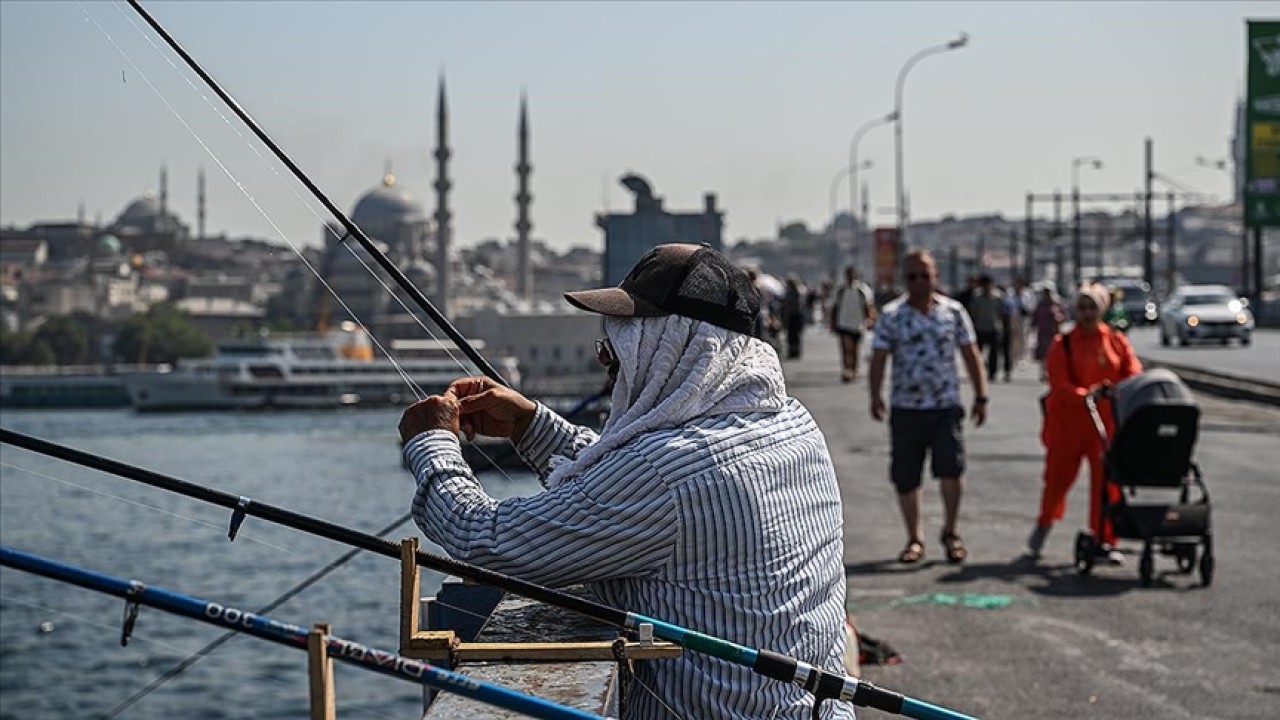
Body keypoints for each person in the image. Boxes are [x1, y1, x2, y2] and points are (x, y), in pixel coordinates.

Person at [399, 243, 854, 720]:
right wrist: (529, 425)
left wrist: (432, 443)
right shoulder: (791, 424)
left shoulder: (666, 474)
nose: (608, 361)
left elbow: (486, 538)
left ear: (669, 348)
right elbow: (627, 485)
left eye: (616, 345)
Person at [869, 249, 989, 565]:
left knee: (951, 468)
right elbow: (879, 356)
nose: (919, 282)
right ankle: (914, 538)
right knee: (906, 475)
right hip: (906, 407)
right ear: (904, 279)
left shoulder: (953, 312)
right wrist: (874, 395)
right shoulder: (892, 315)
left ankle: (951, 532)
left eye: (925, 275)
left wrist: (981, 395)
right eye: (912, 276)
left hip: (944, 405)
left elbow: (970, 353)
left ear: (936, 277)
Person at [1026, 283, 1142, 562]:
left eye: (1092, 307)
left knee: (1107, 484)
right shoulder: (1062, 343)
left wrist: (1122, 390)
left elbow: (1132, 372)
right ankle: (1045, 521)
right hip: (1069, 423)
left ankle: (1105, 539)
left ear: (1102, 309)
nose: (1087, 313)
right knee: (1056, 480)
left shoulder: (1116, 340)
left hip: (1105, 425)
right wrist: (1086, 395)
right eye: (1082, 307)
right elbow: (1059, 383)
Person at [829, 265, 875, 382]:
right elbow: (835, 307)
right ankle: (847, 369)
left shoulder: (862, 289)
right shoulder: (840, 290)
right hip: (843, 322)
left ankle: (854, 369)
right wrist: (832, 322)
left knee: (854, 348)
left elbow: (868, 306)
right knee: (846, 347)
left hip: (857, 323)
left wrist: (870, 319)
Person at [967, 275, 1005, 383]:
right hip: (980, 328)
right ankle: (978, 371)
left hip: (994, 328)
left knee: (994, 353)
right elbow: (973, 312)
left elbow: (1001, 312)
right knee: (978, 353)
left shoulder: (997, 297)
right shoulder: (977, 297)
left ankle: (992, 372)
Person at [1031, 284, 1065, 381]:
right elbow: (1035, 316)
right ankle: (1044, 372)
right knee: (1044, 353)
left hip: (1054, 332)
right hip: (1043, 331)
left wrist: (1059, 317)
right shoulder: (1040, 305)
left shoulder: (1057, 304)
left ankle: (1053, 372)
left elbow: (1064, 316)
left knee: (1054, 353)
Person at [781, 274, 807, 359]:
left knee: (796, 335)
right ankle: (791, 351)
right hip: (790, 315)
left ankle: (796, 351)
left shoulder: (798, 292)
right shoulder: (788, 292)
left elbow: (800, 304)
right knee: (790, 335)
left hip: (796, 315)